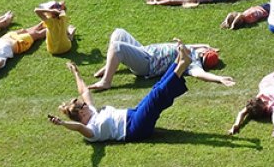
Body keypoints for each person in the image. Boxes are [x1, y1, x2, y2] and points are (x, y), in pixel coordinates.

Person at [49, 47, 191, 142]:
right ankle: (182, 65)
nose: (86, 103)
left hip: (132, 114)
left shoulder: (91, 112)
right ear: (81, 113)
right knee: (156, 96)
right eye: (84, 105)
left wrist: (76, 72)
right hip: (134, 129)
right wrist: (62, 123)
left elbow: (84, 91)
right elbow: (79, 128)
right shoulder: (90, 131)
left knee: (156, 89)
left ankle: (178, 60)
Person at [88, 28, 233, 90]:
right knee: (119, 33)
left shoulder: (192, 63)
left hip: (146, 64)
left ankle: (106, 81)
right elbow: (198, 45)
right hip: (144, 50)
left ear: (203, 54)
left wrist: (219, 79)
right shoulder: (192, 50)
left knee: (117, 46)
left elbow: (201, 74)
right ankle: (111, 64)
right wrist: (208, 46)